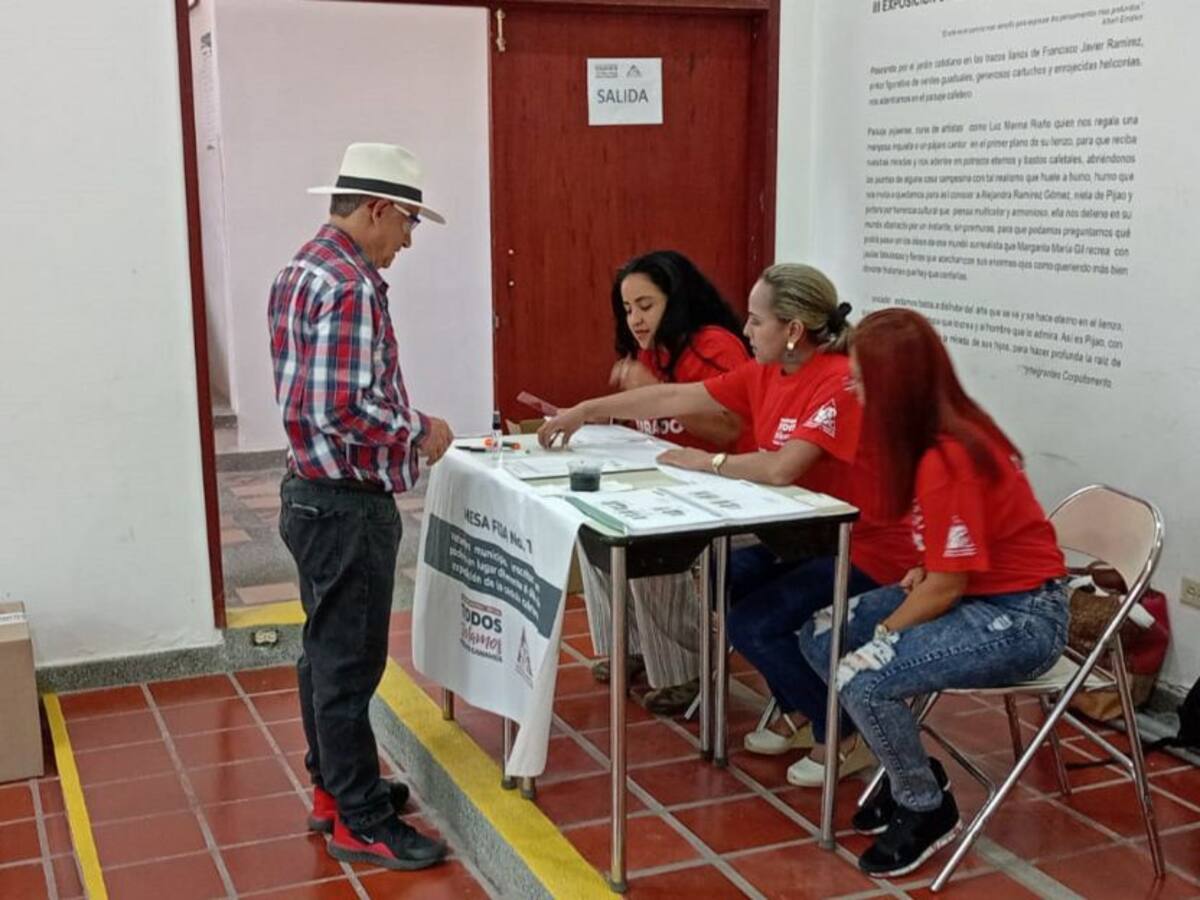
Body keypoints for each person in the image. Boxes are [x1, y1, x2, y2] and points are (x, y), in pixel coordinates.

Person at [539, 264, 914, 779]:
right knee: (719, 575)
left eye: (757, 321)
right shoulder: (765, 373)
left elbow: (783, 467)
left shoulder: (839, 382)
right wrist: (586, 409)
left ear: (793, 331)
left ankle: (848, 729)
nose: (746, 331)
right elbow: (674, 396)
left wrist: (710, 462)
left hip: (867, 548)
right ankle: (803, 707)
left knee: (752, 623)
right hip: (809, 538)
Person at [798, 308, 1069, 878]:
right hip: (975, 593)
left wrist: (884, 635)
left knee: (862, 678)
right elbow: (951, 560)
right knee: (820, 634)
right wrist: (927, 568)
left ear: (896, 386)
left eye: (862, 377)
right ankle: (905, 768)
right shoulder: (934, 442)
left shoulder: (949, 457)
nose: (853, 387)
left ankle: (926, 806)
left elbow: (949, 587)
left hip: (1022, 617)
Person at [268, 143, 453, 871]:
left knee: (324, 656)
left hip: (308, 495)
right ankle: (360, 819)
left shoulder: (300, 269)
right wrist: (421, 430)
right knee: (348, 667)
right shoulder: (350, 284)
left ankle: (332, 787)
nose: (407, 239)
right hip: (345, 505)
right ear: (376, 209)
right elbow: (340, 406)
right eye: (407, 221)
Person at [581, 250, 751, 715]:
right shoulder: (648, 349)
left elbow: (731, 428)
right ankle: (630, 643)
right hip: (668, 479)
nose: (635, 318)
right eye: (628, 308)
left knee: (649, 544)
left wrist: (654, 394)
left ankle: (687, 668)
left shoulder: (714, 345)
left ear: (674, 300)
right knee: (592, 524)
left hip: (726, 485)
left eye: (646, 305)